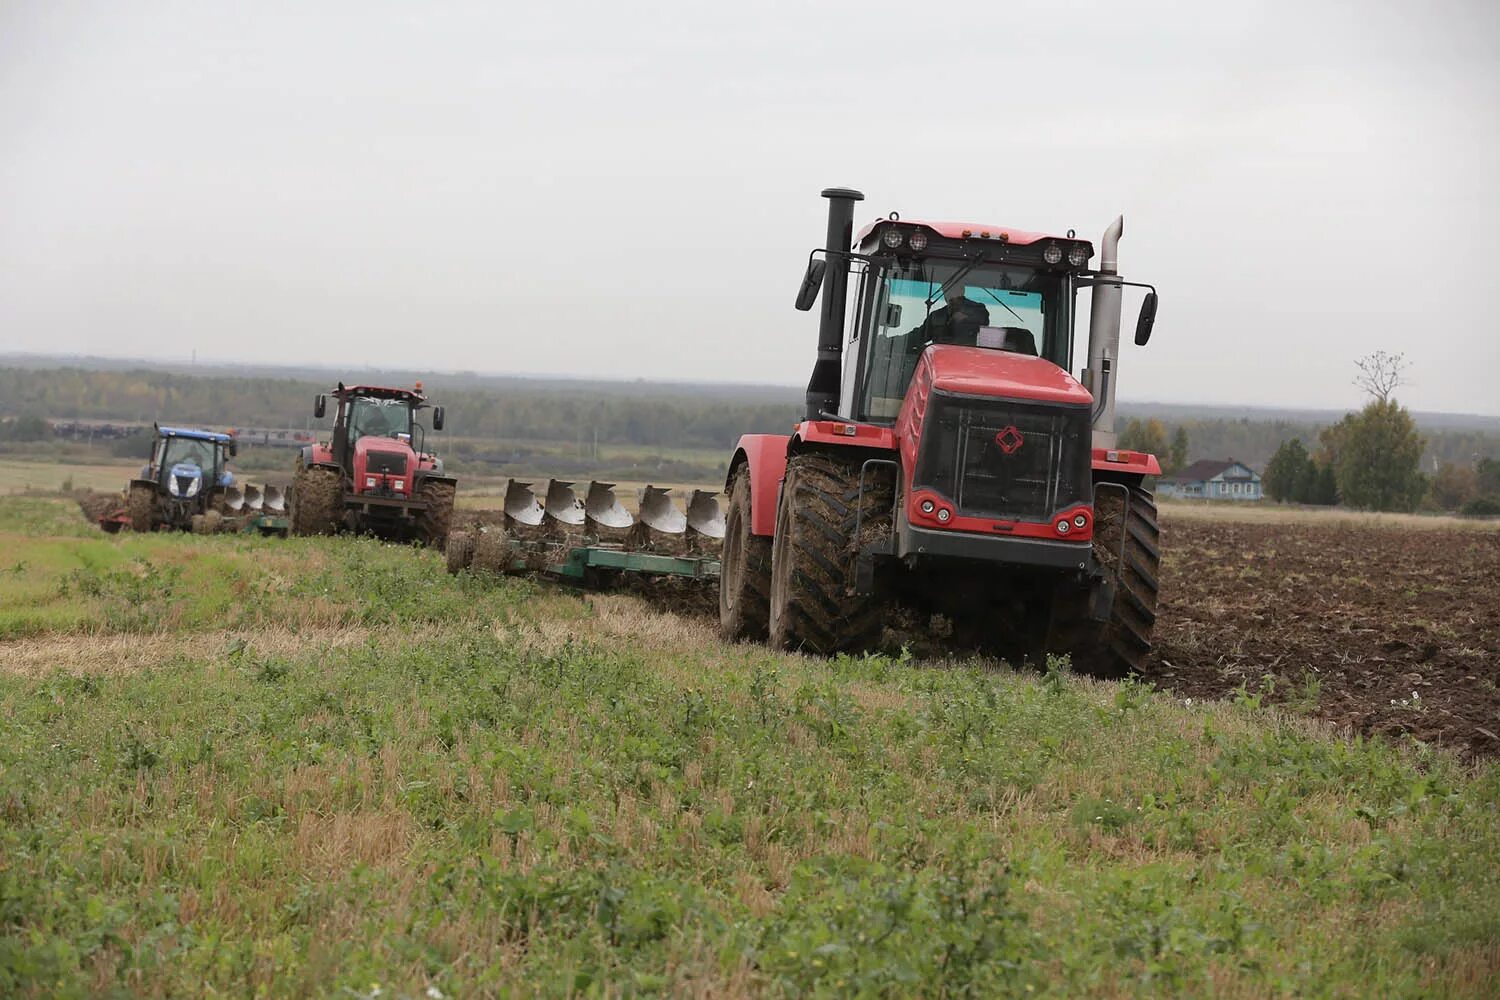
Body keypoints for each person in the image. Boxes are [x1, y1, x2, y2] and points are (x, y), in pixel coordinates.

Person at [906, 284, 991, 352]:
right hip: (939, 361)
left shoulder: (978, 310)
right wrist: (900, 342)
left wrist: (964, 317)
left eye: (953, 288)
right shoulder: (937, 315)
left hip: (969, 361)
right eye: (946, 288)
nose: (949, 292)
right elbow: (919, 336)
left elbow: (983, 322)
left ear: (962, 289)